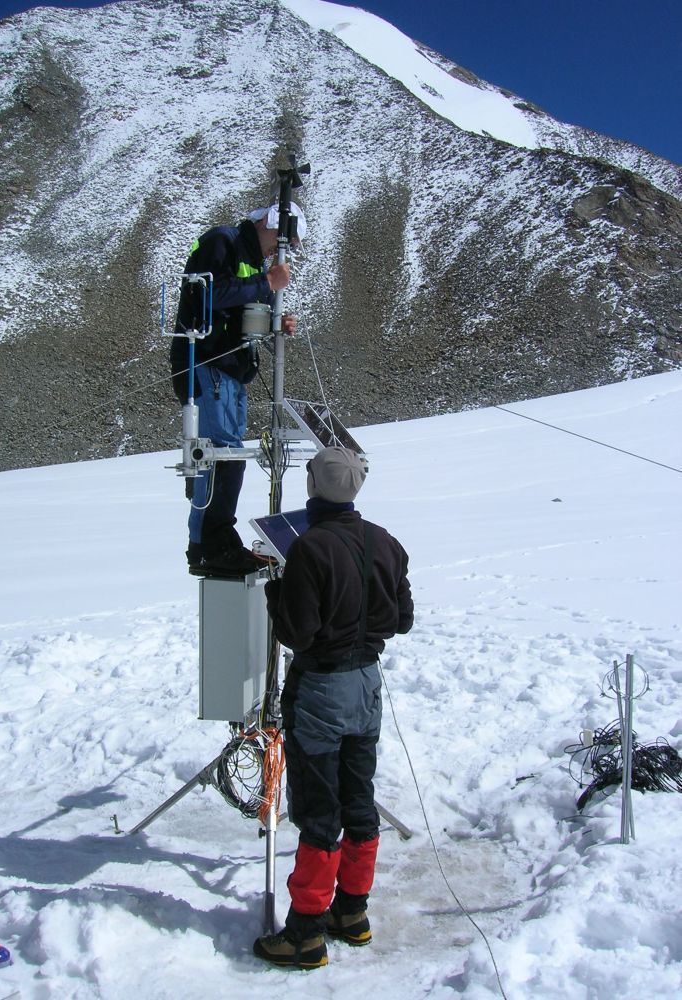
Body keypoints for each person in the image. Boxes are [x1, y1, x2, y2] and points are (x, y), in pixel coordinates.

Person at [254, 447, 414, 969]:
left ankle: (304, 933)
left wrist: (277, 590)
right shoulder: (385, 542)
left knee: (320, 810)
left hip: (321, 687)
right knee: (358, 799)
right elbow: (403, 618)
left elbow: (296, 632)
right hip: (367, 684)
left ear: (312, 486)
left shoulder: (311, 548)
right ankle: (352, 912)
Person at [171, 203, 307, 578]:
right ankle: (207, 547)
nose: (278, 253)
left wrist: (279, 319)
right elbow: (208, 296)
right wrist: (267, 283)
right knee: (217, 455)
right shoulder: (223, 241)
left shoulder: (249, 257)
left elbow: (242, 307)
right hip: (207, 362)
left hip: (229, 369)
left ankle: (218, 542)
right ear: (268, 223)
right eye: (282, 242)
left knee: (226, 454)